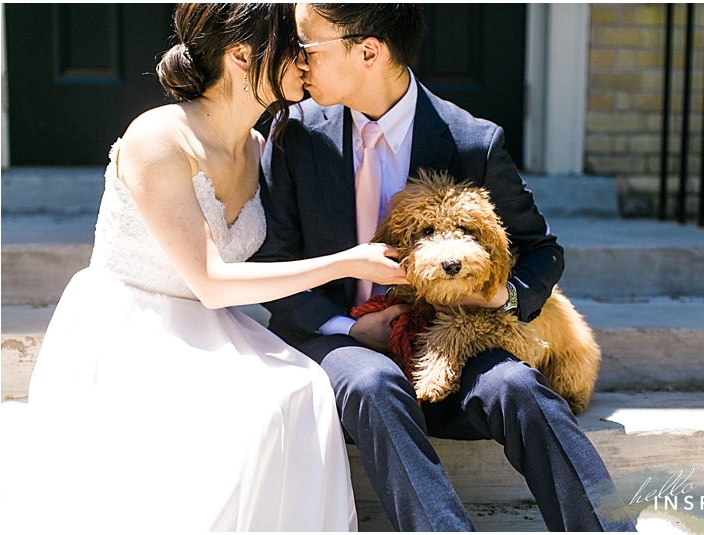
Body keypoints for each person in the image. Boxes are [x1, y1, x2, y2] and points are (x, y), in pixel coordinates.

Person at [0, 4, 407, 532]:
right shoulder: (158, 140)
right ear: (242, 55)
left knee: (304, 389)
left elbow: (259, 269)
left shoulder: (263, 146)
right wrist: (347, 262)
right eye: (294, 47)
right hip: (131, 330)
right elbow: (212, 282)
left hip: (212, 326)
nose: (306, 60)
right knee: (252, 413)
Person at [251, 3, 636, 532]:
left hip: (453, 335)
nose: (296, 61)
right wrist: (349, 326)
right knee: (372, 382)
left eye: (307, 47)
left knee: (517, 386)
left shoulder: (472, 140)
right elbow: (275, 262)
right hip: (339, 339)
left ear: (368, 51)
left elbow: (541, 250)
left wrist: (501, 299)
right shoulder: (293, 131)